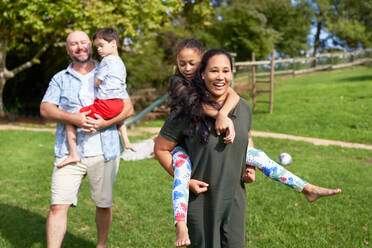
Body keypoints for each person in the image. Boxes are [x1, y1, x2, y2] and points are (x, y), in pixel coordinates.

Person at [155, 49, 341, 247]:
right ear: (202, 74)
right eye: (214, 71)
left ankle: (307, 188)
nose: (220, 77)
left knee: (259, 158)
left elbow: (247, 137)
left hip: (234, 200)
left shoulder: (242, 106)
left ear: (232, 74)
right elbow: (161, 148)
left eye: (226, 71)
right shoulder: (186, 111)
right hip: (202, 203)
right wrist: (185, 180)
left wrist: (248, 166)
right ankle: (180, 225)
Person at [40, 30, 133, 248]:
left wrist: (104, 123)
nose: (80, 47)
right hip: (68, 152)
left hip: (104, 151)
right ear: (68, 49)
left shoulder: (110, 68)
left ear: (91, 46)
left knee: (103, 204)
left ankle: (101, 245)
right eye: (74, 44)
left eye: (84, 42)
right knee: (57, 205)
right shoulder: (60, 78)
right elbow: (45, 108)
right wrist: (73, 118)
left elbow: (128, 107)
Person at [56, 27, 134, 168]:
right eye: (97, 46)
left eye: (101, 45)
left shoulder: (106, 61)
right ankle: (127, 141)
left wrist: (97, 81)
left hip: (106, 103)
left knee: (70, 117)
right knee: (118, 119)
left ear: (113, 44)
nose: (99, 49)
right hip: (118, 104)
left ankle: (73, 153)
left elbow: (97, 81)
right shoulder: (121, 63)